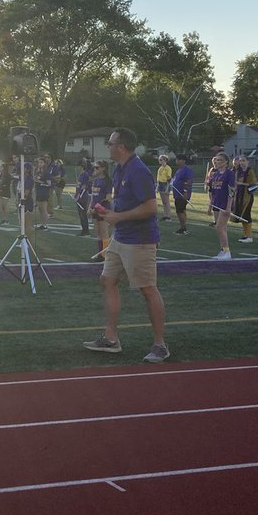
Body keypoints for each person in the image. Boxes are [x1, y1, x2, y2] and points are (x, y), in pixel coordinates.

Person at [83, 127, 169, 363]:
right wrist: (104, 212)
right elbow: (122, 203)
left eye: (110, 143)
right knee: (107, 280)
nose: (108, 146)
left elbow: (151, 208)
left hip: (139, 240)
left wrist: (118, 217)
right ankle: (110, 338)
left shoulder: (138, 170)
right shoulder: (120, 169)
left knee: (147, 288)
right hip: (121, 237)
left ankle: (160, 345)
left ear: (121, 147)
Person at [206, 153, 234, 259]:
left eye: (220, 160)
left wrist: (228, 207)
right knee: (221, 228)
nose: (217, 162)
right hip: (216, 204)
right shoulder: (215, 174)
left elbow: (232, 191)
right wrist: (210, 206)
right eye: (217, 160)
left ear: (226, 162)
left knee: (220, 227)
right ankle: (223, 250)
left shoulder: (229, 174)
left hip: (224, 204)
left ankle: (227, 252)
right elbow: (212, 192)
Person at [88, 160, 112, 259]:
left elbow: (108, 198)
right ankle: (100, 254)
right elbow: (93, 196)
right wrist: (90, 208)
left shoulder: (108, 181)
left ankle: (105, 255)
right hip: (95, 209)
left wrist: (96, 208)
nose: (95, 169)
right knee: (98, 232)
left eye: (97, 167)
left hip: (103, 210)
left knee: (104, 232)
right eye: (94, 167)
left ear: (103, 168)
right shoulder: (95, 180)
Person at [232, 155, 258, 243]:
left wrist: (241, 183)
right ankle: (245, 235)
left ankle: (249, 236)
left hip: (247, 196)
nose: (241, 162)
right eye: (240, 161)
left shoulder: (250, 171)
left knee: (246, 215)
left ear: (247, 162)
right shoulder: (238, 171)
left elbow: (253, 184)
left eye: (243, 160)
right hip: (239, 196)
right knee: (242, 216)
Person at [170, 154, 194, 235]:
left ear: (183, 161)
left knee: (179, 211)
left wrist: (185, 192)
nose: (176, 161)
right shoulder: (178, 170)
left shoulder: (186, 170)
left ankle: (183, 228)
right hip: (177, 194)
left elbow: (188, 181)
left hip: (182, 194)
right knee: (182, 210)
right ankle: (183, 227)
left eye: (178, 159)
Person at [73, 158, 92, 236]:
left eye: (78, 166)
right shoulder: (81, 175)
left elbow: (83, 187)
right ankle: (84, 230)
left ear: (81, 166)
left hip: (83, 197)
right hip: (79, 197)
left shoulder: (85, 175)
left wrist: (78, 196)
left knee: (83, 214)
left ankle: (86, 231)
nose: (77, 168)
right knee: (81, 214)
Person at [156, 154, 172, 221]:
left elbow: (169, 179)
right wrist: (157, 187)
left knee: (166, 201)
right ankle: (165, 215)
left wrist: (167, 188)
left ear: (165, 160)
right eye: (159, 160)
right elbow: (158, 178)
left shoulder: (168, 168)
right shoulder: (160, 168)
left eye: (161, 160)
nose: (159, 161)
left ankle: (168, 216)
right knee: (163, 202)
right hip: (160, 184)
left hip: (166, 184)